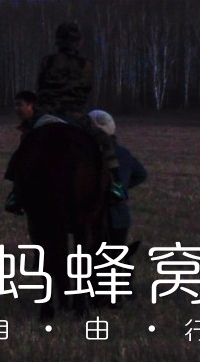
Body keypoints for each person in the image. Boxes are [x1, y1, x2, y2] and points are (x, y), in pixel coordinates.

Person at [36, 22, 123, 197]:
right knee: (105, 141)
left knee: (28, 141)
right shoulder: (86, 65)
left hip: (50, 114)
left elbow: (40, 87)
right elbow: (87, 89)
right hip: (77, 116)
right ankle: (117, 185)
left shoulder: (48, 61)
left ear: (58, 41)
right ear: (78, 42)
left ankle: (16, 192)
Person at [90, 110, 148, 249]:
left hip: (94, 216)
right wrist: (121, 186)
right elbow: (141, 174)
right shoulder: (123, 152)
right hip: (121, 216)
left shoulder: (89, 154)